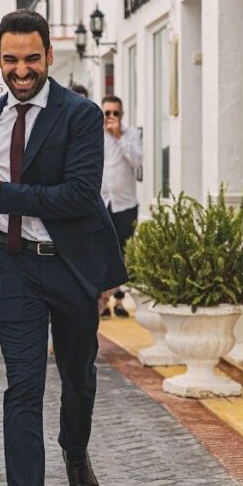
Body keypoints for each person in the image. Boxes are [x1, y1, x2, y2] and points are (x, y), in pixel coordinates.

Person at [0, 9, 126, 486]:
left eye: (31, 58)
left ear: (49, 57)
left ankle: (75, 454)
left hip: (72, 266)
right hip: (16, 268)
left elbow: (79, 195)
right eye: (11, 59)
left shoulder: (79, 115)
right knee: (22, 387)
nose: (21, 70)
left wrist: (0, 190)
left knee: (77, 377)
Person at [99, 94, 143, 319]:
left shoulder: (132, 134)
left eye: (116, 113)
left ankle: (117, 301)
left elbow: (138, 162)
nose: (111, 117)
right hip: (102, 203)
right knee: (103, 253)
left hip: (125, 205)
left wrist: (119, 137)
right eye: (107, 113)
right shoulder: (95, 136)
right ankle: (103, 301)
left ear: (122, 114)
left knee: (121, 255)